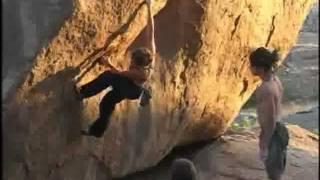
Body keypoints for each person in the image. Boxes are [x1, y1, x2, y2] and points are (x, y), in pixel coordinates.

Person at [75, 0, 156, 138]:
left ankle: (83, 92)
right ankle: (96, 132)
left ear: (138, 64)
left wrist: (107, 62)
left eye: (133, 62)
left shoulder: (139, 73)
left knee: (108, 77)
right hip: (130, 86)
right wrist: (149, 8)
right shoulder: (151, 54)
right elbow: (151, 32)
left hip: (132, 90)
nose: (131, 62)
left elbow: (118, 74)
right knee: (107, 103)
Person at [249, 47, 289, 180]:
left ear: (259, 68)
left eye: (252, 65)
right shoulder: (275, 81)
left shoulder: (265, 89)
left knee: (273, 175)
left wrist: (265, 143)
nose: (250, 68)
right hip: (279, 129)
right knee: (276, 171)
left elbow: (270, 118)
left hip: (273, 134)